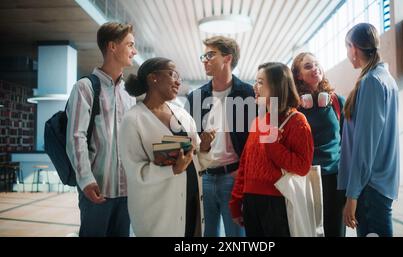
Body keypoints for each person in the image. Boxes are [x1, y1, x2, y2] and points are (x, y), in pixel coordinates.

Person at [119, 57, 213, 236]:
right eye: (172, 74)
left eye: (179, 76)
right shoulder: (133, 120)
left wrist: (205, 148)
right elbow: (135, 172)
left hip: (191, 203)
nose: (178, 81)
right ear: (153, 78)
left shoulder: (182, 115)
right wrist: (173, 170)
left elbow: (197, 161)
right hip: (159, 212)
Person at [66, 22, 137, 237]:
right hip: (97, 190)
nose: (134, 51)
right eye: (130, 44)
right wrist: (86, 180)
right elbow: (75, 137)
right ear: (112, 46)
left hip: (126, 193)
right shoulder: (85, 87)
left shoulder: (129, 93)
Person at [229, 62, 314, 236]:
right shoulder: (258, 121)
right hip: (251, 201)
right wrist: (236, 202)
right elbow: (245, 165)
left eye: (260, 82)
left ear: (277, 86)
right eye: (255, 81)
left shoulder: (297, 121)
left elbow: (303, 166)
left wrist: (272, 143)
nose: (255, 87)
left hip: (278, 203)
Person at [186, 36, 254, 237]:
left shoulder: (248, 94)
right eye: (203, 56)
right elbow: (186, 140)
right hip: (204, 178)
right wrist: (202, 145)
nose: (204, 60)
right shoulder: (196, 97)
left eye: (210, 55)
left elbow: (256, 141)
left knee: (236, 236)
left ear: (227, 58)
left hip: (234, 178)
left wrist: (243, 172)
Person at [338, 23, 400, 237]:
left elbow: (365, 145)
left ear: (354, 48)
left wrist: (352, 195)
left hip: (370, 187)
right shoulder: (385, 79)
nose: (347, 53)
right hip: (376, 184)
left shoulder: (372, 82)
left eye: (347, 48)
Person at [291, 52, 346, 237]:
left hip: (334, 178)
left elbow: (348, 143)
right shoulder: (293, 107)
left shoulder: (338, 102)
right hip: (305, 178)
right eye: (308, 66)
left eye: (316, 64)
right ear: (298, 75)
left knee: (335, 230)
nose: (315, 68)